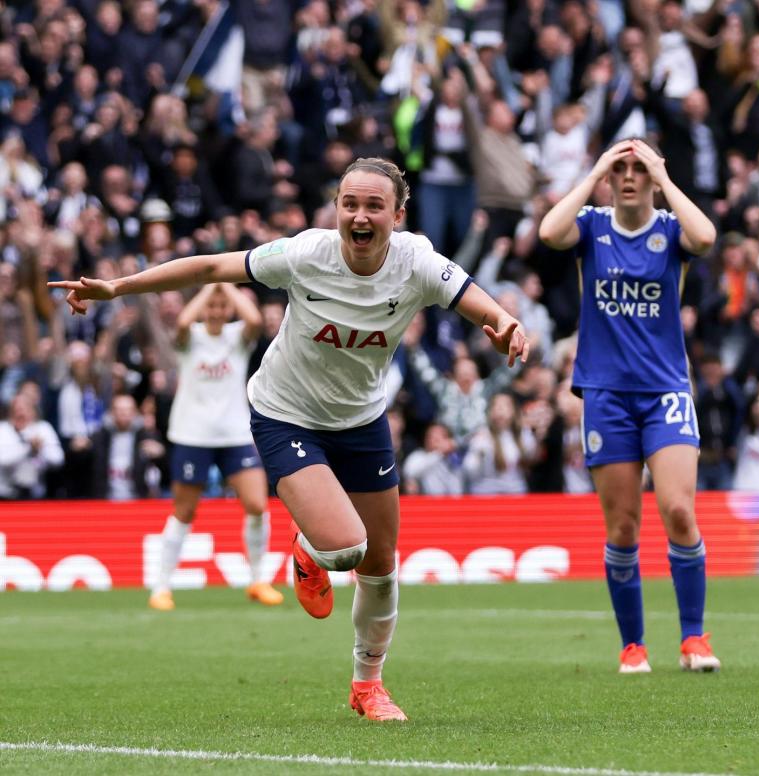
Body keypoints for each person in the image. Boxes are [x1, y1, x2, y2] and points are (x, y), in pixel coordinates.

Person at [50, 157, 529, 721]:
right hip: (286, 413)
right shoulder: (306, 254)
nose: (359, 215)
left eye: (374, 205)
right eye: (349, 203)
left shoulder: (417, 262)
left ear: (397, 215)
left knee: (380, 564)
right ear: (336, 211)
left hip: (363, 421)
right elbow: (209, 269)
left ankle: (367, 685)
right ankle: (309, 550)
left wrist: (506, 325)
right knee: (345, 548)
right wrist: (119, 287)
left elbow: (480, 304)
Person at [538, 138, 721, 674]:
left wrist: (665, 178)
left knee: (679, 510)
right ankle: (633, 645)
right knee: (622, 527)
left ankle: (693, 639)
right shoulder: (593, 227)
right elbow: (550, 232)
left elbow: (707, 237)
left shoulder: (670, 231)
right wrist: (594, 168)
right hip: (605, 394)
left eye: (638, 168)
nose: (629, 176)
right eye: (621, 168)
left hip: (665, 391)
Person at [149, 282, 282, 611]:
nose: (217, 311)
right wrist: (211, 288)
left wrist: (225, 284)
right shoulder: (189, 337)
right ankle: (162, 586)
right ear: (204, 306)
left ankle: (257, 580)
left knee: (256, 504)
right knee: (185, 511)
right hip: (193, 434)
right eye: (212, 305)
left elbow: (253, 319)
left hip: (234, 434)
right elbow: (181, 323)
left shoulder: (238, 337)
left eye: (223, 306)